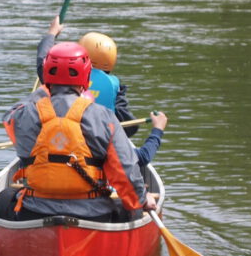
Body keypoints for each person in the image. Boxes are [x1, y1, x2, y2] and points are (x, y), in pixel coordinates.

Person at [0, 41, 158, 223]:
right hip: (94, 215)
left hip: (35, 212)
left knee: (3, 200)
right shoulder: (104, 117)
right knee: (132, 208)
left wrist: (44, 89)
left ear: (46, 76)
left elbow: (10, 115)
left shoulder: (21, 115)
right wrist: (141, 200)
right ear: (86, 77)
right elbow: (125, 169)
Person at [35, 15, 167, 164]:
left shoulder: (52, 79)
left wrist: (52, 33)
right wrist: (158, 129)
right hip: (98, 153)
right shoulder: (112, 94)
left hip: (53, 156)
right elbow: (139, 151)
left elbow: (42, 58)